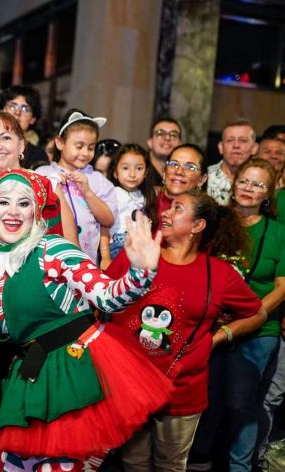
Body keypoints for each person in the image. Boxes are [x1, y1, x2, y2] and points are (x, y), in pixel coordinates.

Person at [0, 167, 172, 470]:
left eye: (24, 203)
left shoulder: (54, 250)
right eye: (4, 202)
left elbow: (108, 297)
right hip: (28, 377)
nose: (13, 212)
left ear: (37, 212)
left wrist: (140, 273)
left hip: (76, 374)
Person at [107, 190, 267, 472]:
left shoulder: (219, 274)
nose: (166, 212)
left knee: (171, 465)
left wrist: (218, 337)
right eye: (168, 207)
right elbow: (101, 298)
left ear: (197, 226)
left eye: (177, 208)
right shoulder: (139, 253)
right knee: (133, 463)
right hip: (129, 385)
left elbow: (257, 312)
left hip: (181, 390)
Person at [189, 159, 284, 472]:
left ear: (268, 194)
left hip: (259, 329)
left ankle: (239, 468)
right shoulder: (217, 221)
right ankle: (200, 464)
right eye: (244, 181)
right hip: (213, 326)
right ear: (234, 184)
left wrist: (251, 315)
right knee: (207, 401)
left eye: (258, 185)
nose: (248, 189)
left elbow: (282, 288)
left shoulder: (279, 233)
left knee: (241, 403)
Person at [35, 109, 117, 262]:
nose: (85, 153)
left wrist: (88, 192)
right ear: (60, 143)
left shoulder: (97, 180)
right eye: (79, 146)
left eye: (91, 147)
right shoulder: (43, 173)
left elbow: (108, 220)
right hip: (47, 261)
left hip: (86, 265)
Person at [100, 144, 155, 267]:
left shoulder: (145, 196)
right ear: (115, 172)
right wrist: (105, 257)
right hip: (119, 245)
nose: (132, 174)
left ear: (146, 172)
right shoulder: (113, 193)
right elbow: (104, 227)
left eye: (139, 168)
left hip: (141, 247)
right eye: (125, 168)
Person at [151, 144, 208, 226]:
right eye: (173, 164)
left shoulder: (203, 215)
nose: (179, 172)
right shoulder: (145, 201)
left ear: (201, 179)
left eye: (190, 167)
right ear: (164, 172)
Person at [207, 118, 259, 205]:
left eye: (243, 140)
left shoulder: (261, 181)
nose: (236, 145)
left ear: (254, 148)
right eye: (230, 140)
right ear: (220, 147)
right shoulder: (204, 177)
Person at [0, 85, 46, 168]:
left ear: (33, 119)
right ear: (3, 110)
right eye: (12, 106)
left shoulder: (38, 155)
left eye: (25, 109)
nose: (17, 112)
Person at [146, 117, 182, 186]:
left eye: (173, 135)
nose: (167, 138)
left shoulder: (183, 172)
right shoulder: (139, 167)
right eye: (160, 133)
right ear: (150, 142)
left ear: (180, 144)